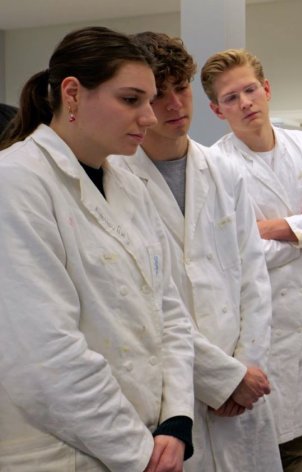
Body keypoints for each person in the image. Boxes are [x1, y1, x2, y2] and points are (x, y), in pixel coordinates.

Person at [0, 26, 194, 472]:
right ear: (72, 94)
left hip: (154, 437)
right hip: (61, 451)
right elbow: (44, 355)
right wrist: (138, 452)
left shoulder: (131, 185)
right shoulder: (18, 184)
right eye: (131, 99)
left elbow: (169, 310)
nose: (149, 116)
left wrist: (177, 418)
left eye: (150, 100)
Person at [109, 32, 283, 472]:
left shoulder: (225, 171)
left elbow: (253, 278)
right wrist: (221, 379)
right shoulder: (114, 182)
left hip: (243, 394)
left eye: (181, 88)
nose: (173, 105)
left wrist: (246, 367)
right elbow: (141, 307)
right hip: (173, 392)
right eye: (159, 93)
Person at [201, 49, 302, 472]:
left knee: (301, 450)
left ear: (266, 89)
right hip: (256, 339)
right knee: (257, 457)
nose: (245, 102)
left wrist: (266, 228)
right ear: (216, 109)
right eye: (231, 98)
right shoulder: (216, 165)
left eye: (250, 89)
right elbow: (237, 257)